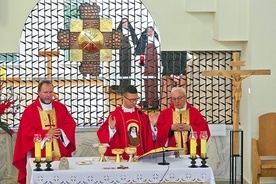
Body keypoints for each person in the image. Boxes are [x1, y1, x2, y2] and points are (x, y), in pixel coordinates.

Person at [13, 80, 76, 184]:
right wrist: (46, 133)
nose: (48, 95)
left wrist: (59, 131)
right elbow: (27, 132)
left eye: (51, 92)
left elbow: (70, 124)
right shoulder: (30, 110)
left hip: (60, 150)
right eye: (45, 92)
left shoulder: (61, 108)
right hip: (39, 151)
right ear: (38, 93)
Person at [97, 85, 159, 159]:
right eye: (131, 100)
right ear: (123, 98)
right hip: (121, 158)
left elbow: (149, 137)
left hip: (139, 157)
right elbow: (102, 135)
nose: (134, 102)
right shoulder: (115, 115)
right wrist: (111, 128)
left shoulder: (141, 115)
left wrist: (153, 126)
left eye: (136, 99)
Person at [156, 87, 210, 156]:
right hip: (171, 156)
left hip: (191, 154)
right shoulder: (165, 113)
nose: (177, 101)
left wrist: (190, 128)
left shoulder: (194, 112)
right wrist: (170, 128)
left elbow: (204, 131)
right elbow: (158, 132)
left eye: (179, 98)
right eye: (174, 99)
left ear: (185, 97)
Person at [110, 18, 138, 94]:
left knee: (128, 68)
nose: (125, 24)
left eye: (126, 22)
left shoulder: (131, 30)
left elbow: (135, 41)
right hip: (122, 49)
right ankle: (122, 88)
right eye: (123, 22)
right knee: (122, 68)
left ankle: (128, 87)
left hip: (129, 49)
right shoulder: (119, 31)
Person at [135, 26, 159, 110]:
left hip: (155, 64)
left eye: (151, 30)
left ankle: (154, 102)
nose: (149, 32)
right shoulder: (143, 40)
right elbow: (140, 54)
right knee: (147, 81)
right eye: (148, 31)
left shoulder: (156, 40)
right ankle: (147, 102)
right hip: (146, 65)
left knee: (154, 82)